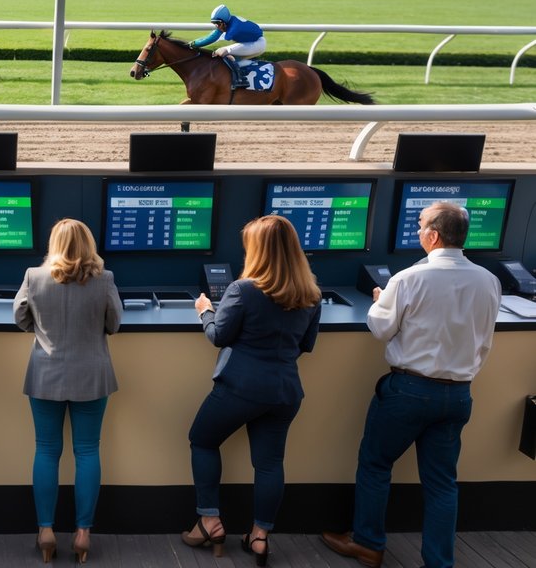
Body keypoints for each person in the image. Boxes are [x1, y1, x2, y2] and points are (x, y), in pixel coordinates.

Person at [321, 201, 500, 568]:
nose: (418, 232)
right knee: (442, 483)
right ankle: (439, 563)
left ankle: (368, 544)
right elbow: (483, 341)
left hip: (409, 392)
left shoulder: (408, 279)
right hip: (458, 394)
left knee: (375, 465)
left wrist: (380, 302)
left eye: (420, 226)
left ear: (432, 236)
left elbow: (380, 328)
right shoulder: (489, 280)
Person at [186, 214, 321, 567]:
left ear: (258, 250)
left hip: (240, 388)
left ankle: (209, 521)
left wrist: (205, 311)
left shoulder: (243, 289)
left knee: (202, 440)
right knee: (270, 463)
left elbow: (219, 335)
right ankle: (259, 537)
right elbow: (306, 345)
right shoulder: (311, 295)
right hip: (285, 391)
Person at [13, 218, 122, 564]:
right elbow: (114, 323)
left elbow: (20, 318)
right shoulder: (104, 280)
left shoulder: (34, 277)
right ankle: (83, 534)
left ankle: (46, 531)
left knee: (46, 450)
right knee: (87, 451)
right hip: (92, 376)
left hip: (45, 376)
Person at [189, 4, 265, 91]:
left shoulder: (234, 29)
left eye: (218, 23)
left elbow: (221, 40)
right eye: (214, 23)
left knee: (223, 51)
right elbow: (212, 37)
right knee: (231, 58)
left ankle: (241, 80)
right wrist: (194, 44)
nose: (217, 26)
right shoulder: (228, 22)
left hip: (257, 44)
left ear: (224, 22)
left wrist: (218, 50)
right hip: (249, 42)